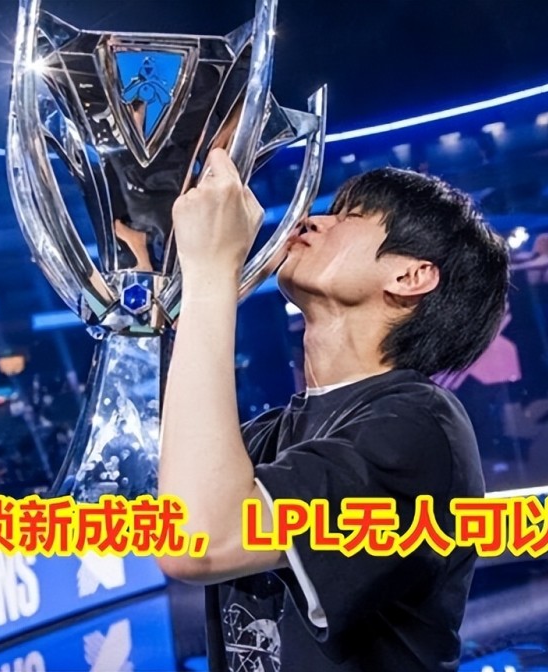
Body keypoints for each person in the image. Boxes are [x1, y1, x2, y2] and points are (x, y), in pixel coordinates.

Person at [158, 148, 510, 671]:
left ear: (411, 276)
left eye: (350, 216)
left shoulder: (419, 427)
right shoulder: (270, 433)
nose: (311, 221)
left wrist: (212, 274)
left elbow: (198, 541)